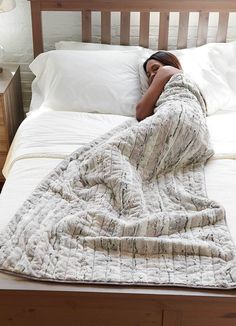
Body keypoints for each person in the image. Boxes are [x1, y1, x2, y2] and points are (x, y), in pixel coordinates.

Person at [136, 51, 183, 121]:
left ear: (170, 65)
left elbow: (140, 113)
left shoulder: (166, 70)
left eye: (155, 68)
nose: (152, 75)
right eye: (148, 75)